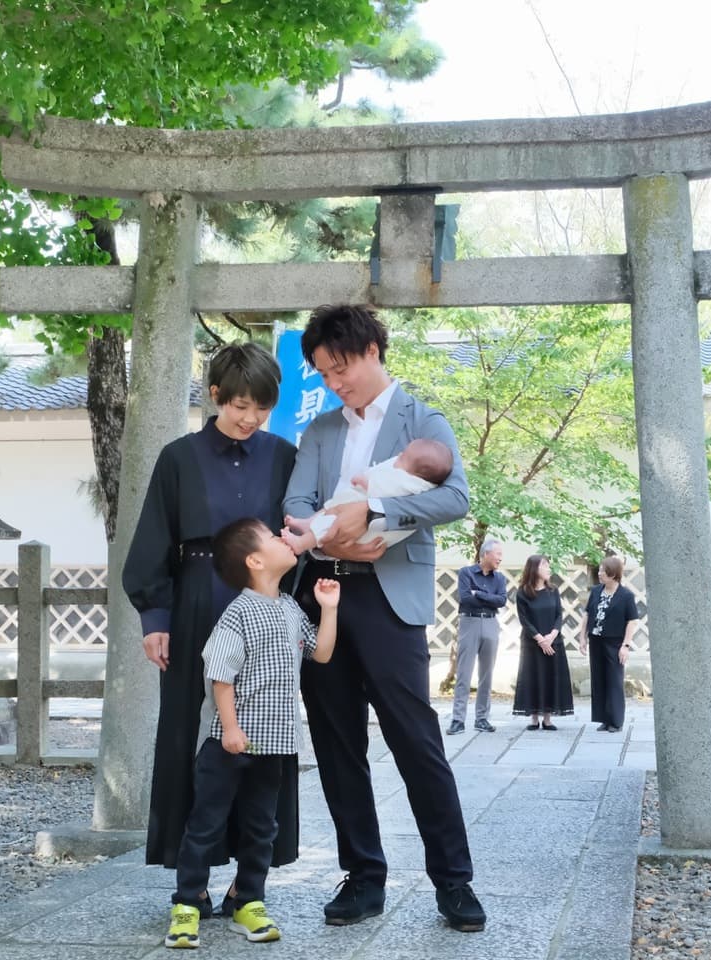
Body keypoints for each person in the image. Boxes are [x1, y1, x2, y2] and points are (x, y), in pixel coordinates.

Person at [284, 303, 486, 933]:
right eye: (322, 373)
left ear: (372, 351)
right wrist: (331, 540)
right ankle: (363, 876)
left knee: (415, 739)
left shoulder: (421, 418)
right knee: (336, 738)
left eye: (339, 367)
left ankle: (454, 882)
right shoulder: (319, 432)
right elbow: (295, 501)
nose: (333, 382)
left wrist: (377, 519)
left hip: (390, 598)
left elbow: (456, 496)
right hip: (321, 592)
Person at [123, 341, 302, 910]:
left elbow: (295, 538)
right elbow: (153, 536)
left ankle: (251, 879)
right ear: (216, 395)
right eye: (240, 406)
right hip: (196, 596)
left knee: (267, 732)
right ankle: (190, 879)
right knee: (186, 731)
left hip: (266, 603)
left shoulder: (284, 455)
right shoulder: (178, 457)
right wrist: (156, 617)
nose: (250, 419)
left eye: (262, 409)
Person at [163, 518, 340, 949]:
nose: (285, 539)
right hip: (229, 743)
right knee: (206, 823)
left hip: (275, 744)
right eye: (274, 538)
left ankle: (248, 899)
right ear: (255, 560)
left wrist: (329, 609)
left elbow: (321, 653)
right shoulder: (239, 611)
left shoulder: (290, 608)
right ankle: (187, 904)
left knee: (263, 826)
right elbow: (220, 675)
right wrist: (230, 728)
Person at [281, 437, 453, 553]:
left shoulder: (412, 481)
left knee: (330, 524)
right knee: (330, 510)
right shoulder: (415, 474)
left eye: (404, 457)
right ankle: (306, 524)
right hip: (351, 513)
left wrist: (365, 482)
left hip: (371, 534)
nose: (399, 456)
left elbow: (386, 488)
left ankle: (301, 543)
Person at [576, 555, 642, 733]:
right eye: (599, 571)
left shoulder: (626, 595)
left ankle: (616, 721)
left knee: (614, 680)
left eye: (603, 572)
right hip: (596, 640)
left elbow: (632, 621)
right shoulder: (596, 591)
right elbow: (587, 614)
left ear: (613, 574)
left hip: (615, 642)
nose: (599, 574)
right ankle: (603, 719)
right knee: (599, 679)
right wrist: (582, 637)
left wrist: (625, 645)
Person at [448, 540, 507, 735]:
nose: (500, 557)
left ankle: (482, 718)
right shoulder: (466, 572)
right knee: (464, 672)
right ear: (486, 554)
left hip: (491, 623)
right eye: (497, 553)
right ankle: (458, 719)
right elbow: (465, 598)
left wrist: (479, 594)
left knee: (487, 673)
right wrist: (488, 597)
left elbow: (501, 600)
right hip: (469, 622)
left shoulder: (499, 578)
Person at [512, 554, 573, 730]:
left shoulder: (553, 590)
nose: (548, 569)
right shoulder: (523, 592)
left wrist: (552, 636)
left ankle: (547, 718)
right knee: (533, 677)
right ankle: (534, 717)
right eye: (545, 565)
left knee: (550, 676)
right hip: (532, 643)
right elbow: (524, 620)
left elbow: (559, 615)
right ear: (534, 569)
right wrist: (540, 639)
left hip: (554, 641)